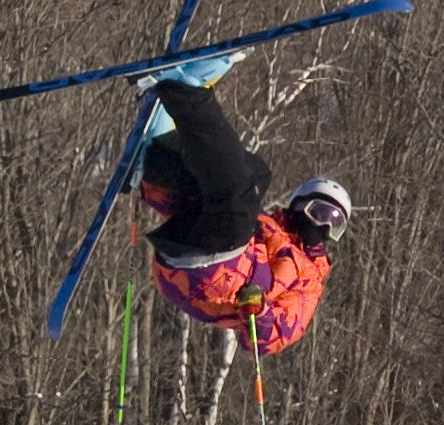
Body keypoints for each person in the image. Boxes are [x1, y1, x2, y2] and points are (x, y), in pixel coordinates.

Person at [133, 59, 349, 356]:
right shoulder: (264, 225)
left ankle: (186, 93)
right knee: (254, 174)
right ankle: (153, 158)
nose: (323, 226)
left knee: (236, 194)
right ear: (298, 205)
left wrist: (259, 312)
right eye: (320, 212)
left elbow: (274, 337)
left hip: (216, 280)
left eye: (335, 222)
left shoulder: (309, 281)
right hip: (190, 259)